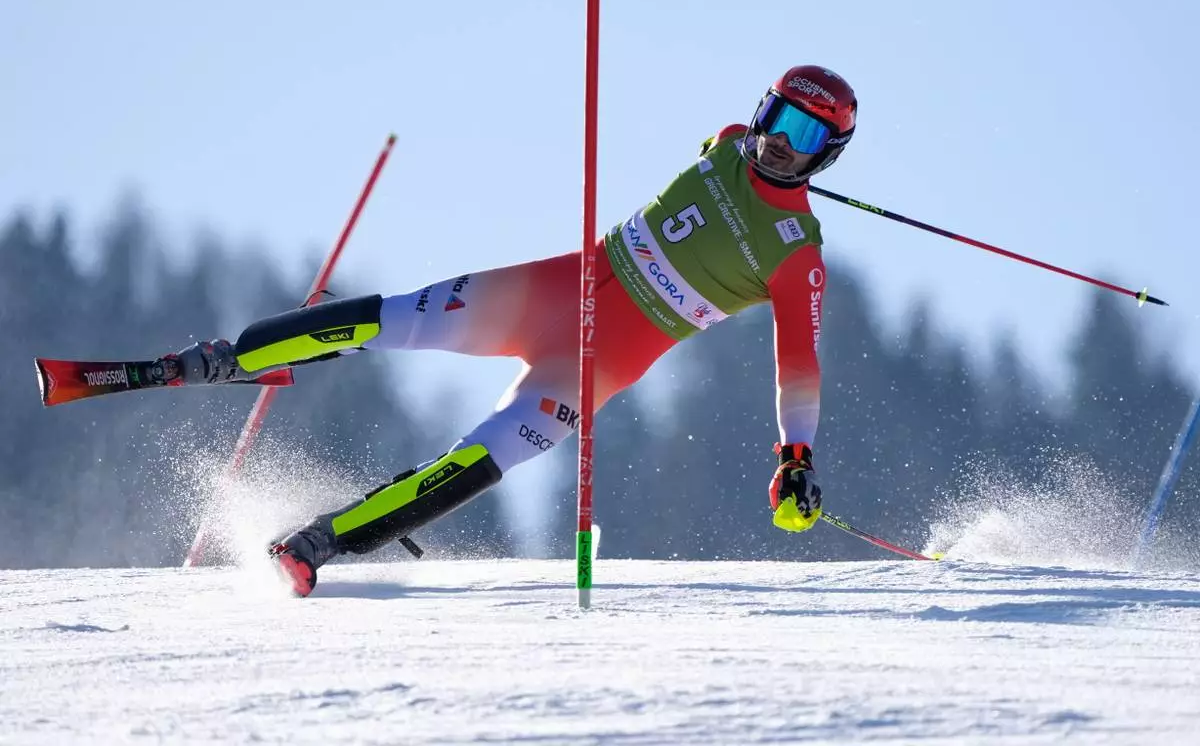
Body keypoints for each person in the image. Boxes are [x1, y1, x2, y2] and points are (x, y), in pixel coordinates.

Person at [162, 65, 858, 596]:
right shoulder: (731, 142)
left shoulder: (798, 252)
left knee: (483, 460)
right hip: (556, 290)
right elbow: (721, 146)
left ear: (824, 156)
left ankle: (319, 544)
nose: (774, 142)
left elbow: (798, 363)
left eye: (801, 137)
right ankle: (232, 357)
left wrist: (795, 455)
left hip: (602, 359)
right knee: (399, 318)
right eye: (774, 116)